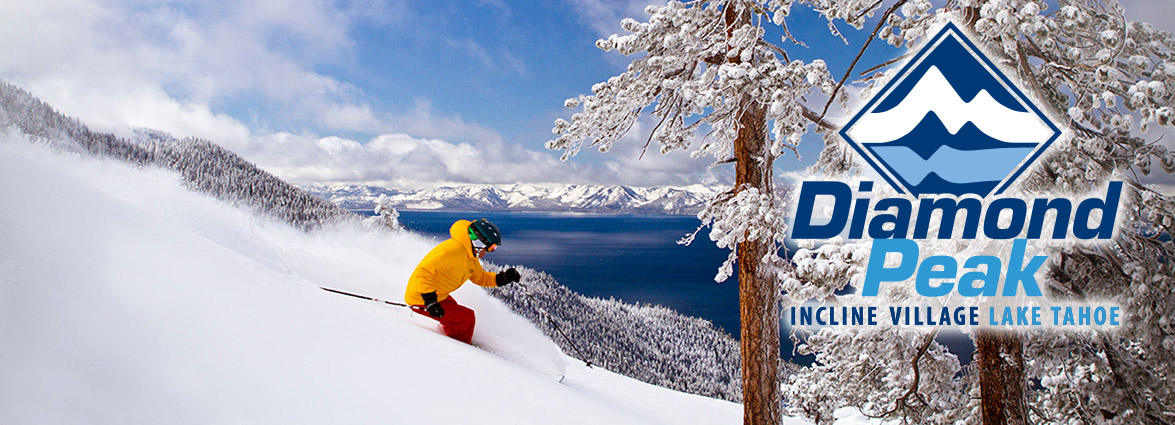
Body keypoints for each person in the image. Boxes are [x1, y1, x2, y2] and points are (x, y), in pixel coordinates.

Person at [405, 218, 521, 344]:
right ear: (479, 242)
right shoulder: (452, 250)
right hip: (421, 297)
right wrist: (430, 302)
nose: (490, 251)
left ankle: (449, 337)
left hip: (438, 295)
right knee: (466, 319)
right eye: (491, 247)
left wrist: (503, 278)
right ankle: (460, 350)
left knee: (457, 318)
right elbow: (424, 273)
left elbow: (480, 277)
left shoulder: (470, 256)